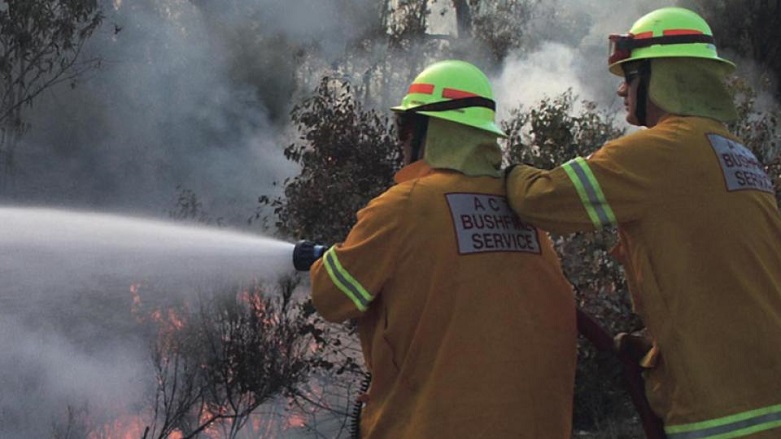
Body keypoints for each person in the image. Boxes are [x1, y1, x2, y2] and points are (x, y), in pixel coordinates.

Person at [505, 7, 781, 438]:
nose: (621, 88)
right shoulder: (735, 152)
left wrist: (503, 173)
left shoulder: (658, 153)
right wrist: (657, 348)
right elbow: (724, 281)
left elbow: (539, 200)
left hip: (721, 413)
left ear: (662, 78)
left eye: (631, 76)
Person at [306, 60, 577, 438]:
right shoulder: (524, 210)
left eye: (404, 128)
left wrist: (329, 262)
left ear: (427, 131)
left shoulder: (405, 205)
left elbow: (332, 298)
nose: (401, 141)